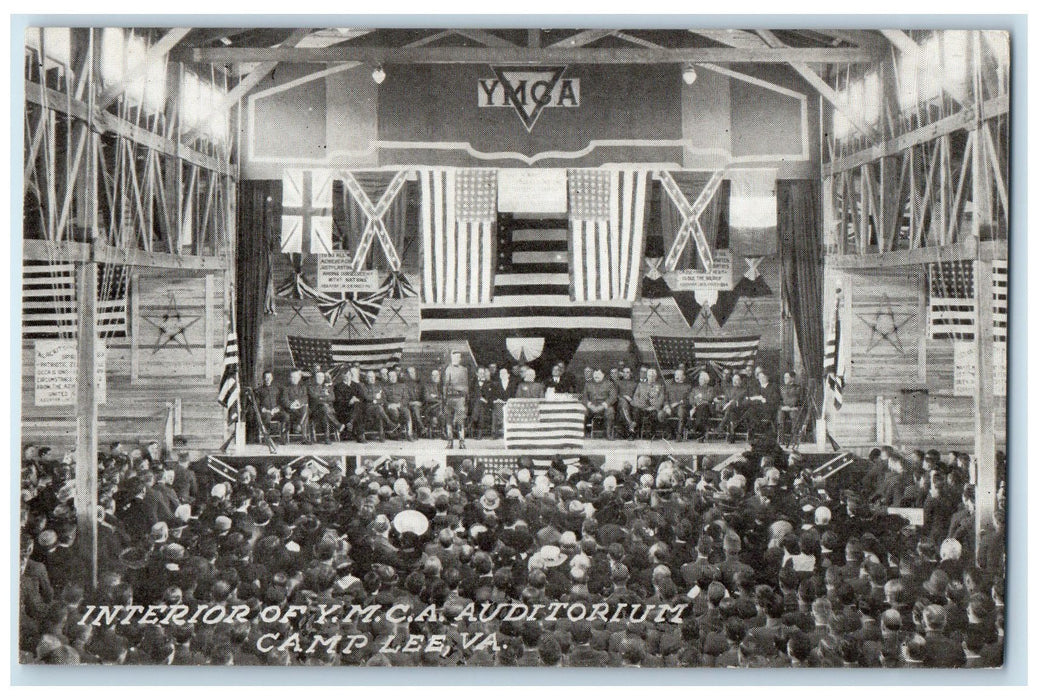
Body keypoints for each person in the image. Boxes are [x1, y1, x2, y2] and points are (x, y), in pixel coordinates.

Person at [442, 351, 470, 449]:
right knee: (449, 421)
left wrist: (465, 398)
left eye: (458, 357)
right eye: (454, 357)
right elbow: (445, 385)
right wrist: (445, 398)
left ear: (460, 359)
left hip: (460, 399)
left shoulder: (464, 370)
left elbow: (466, 386)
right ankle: (450, 442)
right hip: (450, 398)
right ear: (451, 358)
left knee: (460, 421)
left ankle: (462, 442)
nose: (456, 359)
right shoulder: (448, 369)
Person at [334, 365, 368, 443]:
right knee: (358, 409)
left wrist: (356, 399)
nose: (347, 377)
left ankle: (350, 423)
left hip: (356, 408)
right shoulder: (338, 386)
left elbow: (363, 398)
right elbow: (338, 400)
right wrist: (350, 401)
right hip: (344, 409)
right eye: (345, 375)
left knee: (358, 406)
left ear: (351, 375)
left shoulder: (356, 385)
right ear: (342, 376)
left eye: (349, 375)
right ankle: (360, 435)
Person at [308, 371, 343, 443]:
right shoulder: (310, 387)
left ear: (324, 378)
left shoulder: (327, 387)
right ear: (315, 378)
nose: (320, 378)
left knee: (324, 412)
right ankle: (337, 426)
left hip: (326, 411)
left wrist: (321, 397)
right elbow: (314, 397)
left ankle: (327, 438)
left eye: (322, 377)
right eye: (318, 377)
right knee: (324, 408)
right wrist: (324, 395)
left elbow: (332, 398)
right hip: (315, 411)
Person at [631, 368, 666, 438]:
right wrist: (643, 406)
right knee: (636, 412)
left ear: (656, 377)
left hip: (653, 409)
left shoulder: (660, 386)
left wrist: (654, 407)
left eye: (653, 376)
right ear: (647, 376)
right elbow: (635, 397)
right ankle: (633, 433)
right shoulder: (641, 385)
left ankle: (652, 434)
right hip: (642, 408)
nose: (651, 377)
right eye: (650, 376)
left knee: (654, 414)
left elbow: (661, 399)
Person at [384, 369, 416, 441]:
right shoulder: (385, 387)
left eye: (394, 376)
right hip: (390, 407)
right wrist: (389, 405)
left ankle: (409, 434)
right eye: (390, 376)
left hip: (400, 405)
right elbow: (383, 399)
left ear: (396, 376)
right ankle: (396, 433)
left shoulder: (402, 386)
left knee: (407, 412)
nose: (392, 378)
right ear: (388, 377)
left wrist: (399, 404)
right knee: (394, 413)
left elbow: (406, 398)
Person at [718, 373, 750, 442]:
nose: (735, 381)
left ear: (740, 381)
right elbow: (724, 401)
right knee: (731, 412)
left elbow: (745, 403)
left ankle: (722, 426)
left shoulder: (744, 391)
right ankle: (731, 435)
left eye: (737, 379)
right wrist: (727, 404)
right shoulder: (728, 390)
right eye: (734, 379)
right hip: (729, 410)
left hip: (739, 410)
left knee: (731, 407)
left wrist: (735, 403)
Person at [362, 370, 393, 441]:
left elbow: (383, 398)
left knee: (379, 410)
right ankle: (389, 424)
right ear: (366, 378)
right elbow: (366, 397)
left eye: (373, 377)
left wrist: (375, 400)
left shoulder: (378, 386)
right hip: (368, 409)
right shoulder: (364, 386)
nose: (372, 378)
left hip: (378, 408)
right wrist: (375, 398)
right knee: (379, 408)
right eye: (370, 377)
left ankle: (381, 435)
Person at [663, 368, 692, 440]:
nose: (677, 376)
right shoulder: (669, 386)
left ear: (684, 377)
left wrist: (679, 403)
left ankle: (679, 435)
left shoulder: (688, 387)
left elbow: (690, 400)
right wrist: (667, 406)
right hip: (670, 408)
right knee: (661, 415)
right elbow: (665, 398)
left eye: (679, 375)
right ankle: (670, 433)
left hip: (682, 407)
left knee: (681, 412)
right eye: (676, 374)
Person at [279, 370, 309, 437]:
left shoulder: (303, 387)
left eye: (296, 377)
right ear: (289, 378)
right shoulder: (285, 387)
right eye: (293, 377)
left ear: (299, 378)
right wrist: (291, 405)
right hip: (290, 410)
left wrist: (298, 402)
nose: (295, 379)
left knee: (305, 408)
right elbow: (284, 400)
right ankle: (300, 431)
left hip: (300, 408)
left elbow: (305, 397)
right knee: (305, 412)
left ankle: (299, 426)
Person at [688, 371, 717, 441]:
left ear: (706, 380)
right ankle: (702, 434)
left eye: (701, 379)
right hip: (696, 409)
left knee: (703, 407)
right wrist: (702, 399)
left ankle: (695, 427)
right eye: (699, 379)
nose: (699, 380)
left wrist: (699, 397)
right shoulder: (695, 389)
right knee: (702, 413)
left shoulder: (710, 389)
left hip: (708, 409)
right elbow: (691, 400)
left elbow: (710, 398)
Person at [490, 366, 515, 438]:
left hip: (509, 404)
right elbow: (493, 395)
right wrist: (497, 400)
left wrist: (505, 401)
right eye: (501, 374)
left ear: (508, 375)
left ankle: (500, 427)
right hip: (499, 404)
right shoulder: (496, 384)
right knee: (497, 406)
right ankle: (499, 428)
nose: (502, 375)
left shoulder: (512, 384)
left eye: (504, 373)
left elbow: (513, 395)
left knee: (497, 409)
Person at [777, 371, 802, 441]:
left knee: (794, 415)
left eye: (787, 377)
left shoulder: (798, 388)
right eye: (784, 377)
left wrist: (794, 408)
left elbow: (798, 400)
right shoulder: (781, 388)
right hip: (784, 409)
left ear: (792, 378)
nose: (785, 379)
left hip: (794, 409)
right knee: (780, 415)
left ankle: (793, 439)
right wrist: (782, 407)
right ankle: (781, 439)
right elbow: (779, 400)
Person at [420, 369, 444, 439]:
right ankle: (442, 431)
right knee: (441, 406)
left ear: (439, 376)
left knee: (443, 409)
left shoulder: (443, 386)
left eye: (436, 375)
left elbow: (445, 397)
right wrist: (438, 400)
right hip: (430, 407)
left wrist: (435, 396)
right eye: (433, 375)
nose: (435, 377)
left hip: (441, 407)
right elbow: (427, 398)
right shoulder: (427, 386)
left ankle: (442, 430)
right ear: (431, 376)